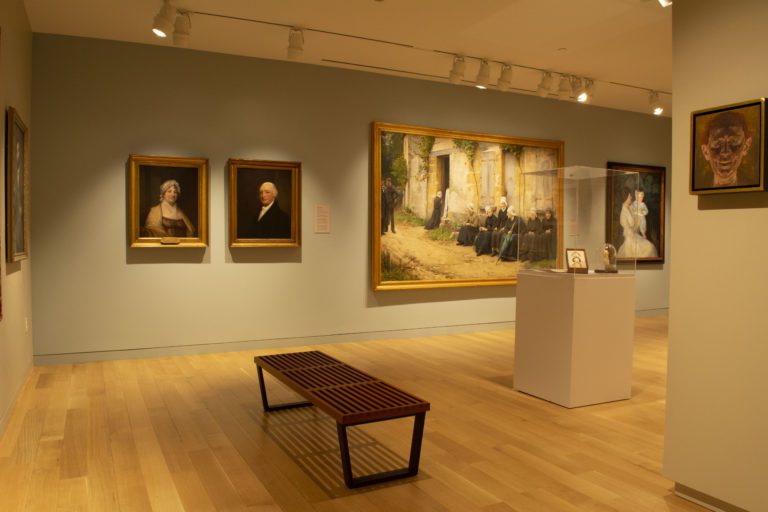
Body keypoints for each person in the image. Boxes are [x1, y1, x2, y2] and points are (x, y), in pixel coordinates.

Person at [699, 110, 753, 188]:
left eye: (733, 142)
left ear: (746, 146)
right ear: (705, 151)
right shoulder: (701, 185)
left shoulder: (750, 185)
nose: (725, 152)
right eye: (717, 144)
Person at [617, 188, 657, 258]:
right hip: (630, 240)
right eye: (630, 196)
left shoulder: (632, 207)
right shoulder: (623, 214)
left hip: (635, 236)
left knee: (650, 247)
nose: (631, 198)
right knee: (648, 249)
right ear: (626, 198)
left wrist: (642, 230)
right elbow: (628, 231)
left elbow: (639, 217)